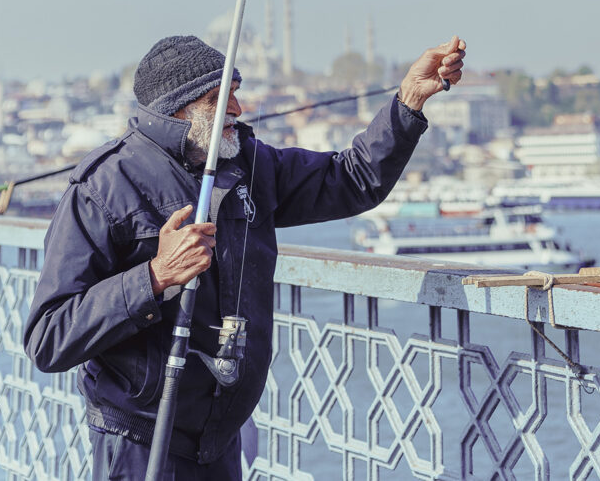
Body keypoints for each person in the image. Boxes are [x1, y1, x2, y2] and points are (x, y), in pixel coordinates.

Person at [24, 33, 466, 480]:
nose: (236, 109)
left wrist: (407, 104)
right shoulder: (103, 187)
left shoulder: (250, 165)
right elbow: (48, 336)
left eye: (235, 93)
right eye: (219, 98)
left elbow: (351, 179)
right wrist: (154, 277)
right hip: (141, 443)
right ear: (178, 110)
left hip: (219, 442)